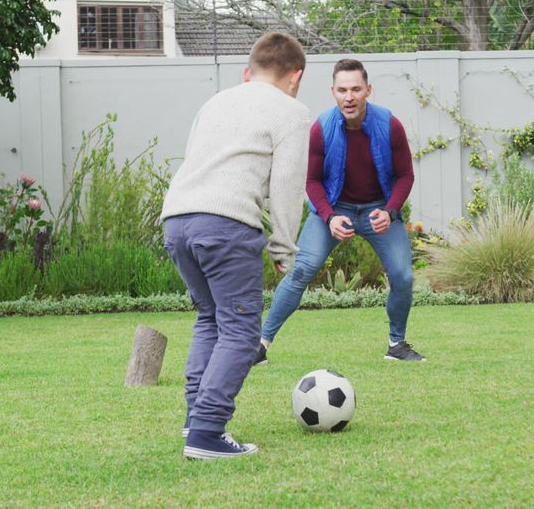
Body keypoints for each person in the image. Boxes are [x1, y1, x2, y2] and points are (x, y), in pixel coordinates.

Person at [160, 32, 310, 459]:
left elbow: (195, 158)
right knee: (242, 333)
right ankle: (207, 433)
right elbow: (286, 186)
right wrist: (284, 247)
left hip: (177, 219)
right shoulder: (292, 112)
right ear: (294, 77)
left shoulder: (215, 102)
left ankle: (196, 417)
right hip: (225, 224)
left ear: (251, 70)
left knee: (211, 318)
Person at [254, 58, 425, 365]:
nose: (349, 97)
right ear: (332, 91)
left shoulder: (390, 125)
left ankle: (397, 345)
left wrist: (390, 211)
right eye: (342, 90)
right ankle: (260, 345)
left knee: (402, 275)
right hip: (334, 210)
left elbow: (405, 176)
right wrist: (329, 216)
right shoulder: (321, 128)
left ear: (368, 90)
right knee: (302, 269)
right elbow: (312, 180)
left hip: (379, 212)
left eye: (356, 89)